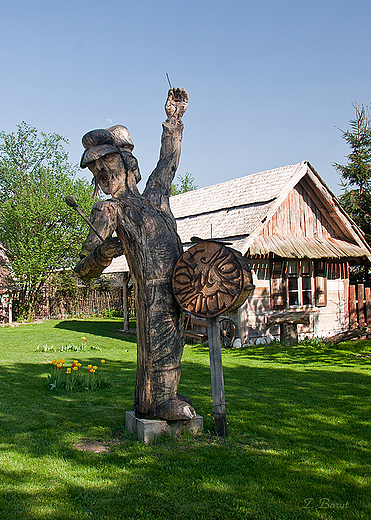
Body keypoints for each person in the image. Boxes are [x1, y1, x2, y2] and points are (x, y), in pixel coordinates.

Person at [74, 88, 196, 421]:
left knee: (174, 347)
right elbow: (82, 269)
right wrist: (101, 254)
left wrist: (174, 118)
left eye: (107, 161)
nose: (101, 171)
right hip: (151, 291)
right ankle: (155, 403)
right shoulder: (108, 209)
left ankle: (167, 396)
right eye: (95, 168)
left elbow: (168, 161)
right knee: (157, 348)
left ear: (127, 161)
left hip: (179, 285)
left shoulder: (155, 196)